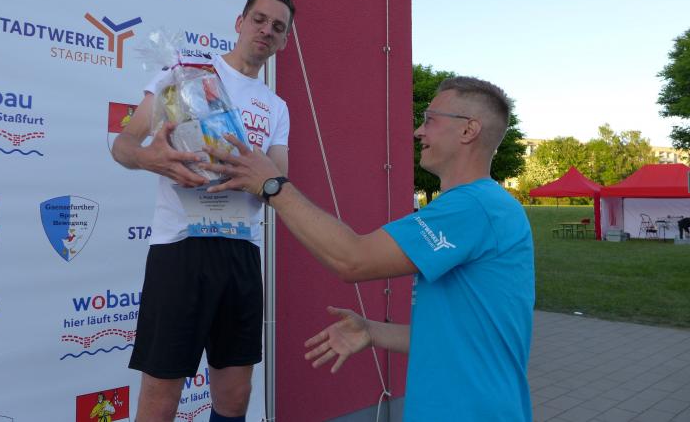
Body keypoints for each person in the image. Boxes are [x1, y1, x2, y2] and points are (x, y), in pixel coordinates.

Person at [200, 76, 535, 421]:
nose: (418, 131)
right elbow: (457, 336)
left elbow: (353, 259)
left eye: (430, 120)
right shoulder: (481, 207)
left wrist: (272, 186)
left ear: (468, 130)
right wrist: (372, 331)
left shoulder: (473, 207)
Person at [111, 0, 295, 422]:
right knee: (160, 398)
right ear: (240, 22)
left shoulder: (276, 106)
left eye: (278, 27)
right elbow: (123, 145)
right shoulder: (186, 74)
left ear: (284, 41)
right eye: (259, 19)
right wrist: (151, 158)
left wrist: (256, 177)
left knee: (235, 397)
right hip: (181, 248)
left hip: (241, 249)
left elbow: (278, 182)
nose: (266, 30)